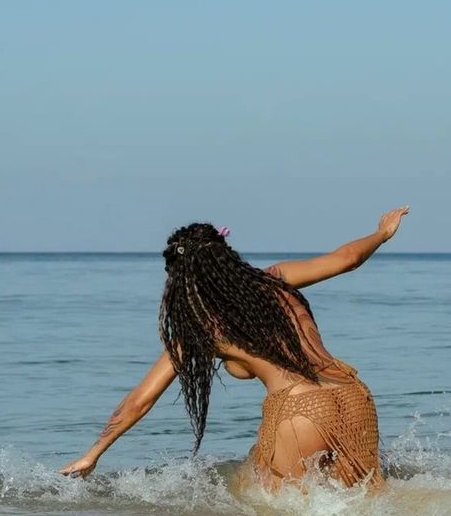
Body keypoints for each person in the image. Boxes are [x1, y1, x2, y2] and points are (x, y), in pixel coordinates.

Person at [59, 207, 409, 491]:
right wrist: (382, 233)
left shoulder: (204, 325)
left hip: (299, 409)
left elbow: (141, 400)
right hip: (352, 395)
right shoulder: (276, 279)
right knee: (361, 505)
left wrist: (93, 454)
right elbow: (347, 258)